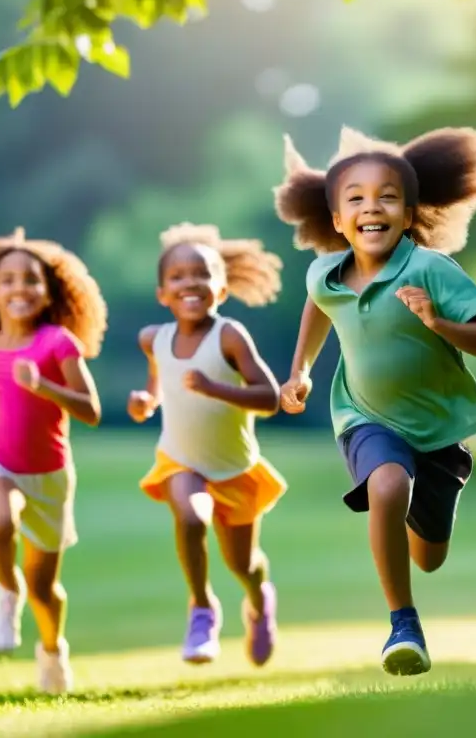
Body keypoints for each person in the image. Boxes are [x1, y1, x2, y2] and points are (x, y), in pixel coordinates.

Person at [273, 126, 476, 676]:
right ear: (335, 220)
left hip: (441, 429)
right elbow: (317, 306)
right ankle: (404, 624)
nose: (371, 208)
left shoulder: (430, 269)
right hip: (364, 416)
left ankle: (408, 516)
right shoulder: (324, 272)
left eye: (387, 197)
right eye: (356, 198)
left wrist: (438, 322)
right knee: (388, 483)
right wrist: (299, 371)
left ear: (408, 213)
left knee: (430, 555)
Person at [128, 223, 286, 667]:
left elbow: (270, 397)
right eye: (177, 276)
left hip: (234, 467)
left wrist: (217, 389)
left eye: (202, 273)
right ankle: (201, 609)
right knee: (192, 518)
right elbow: (160, 384)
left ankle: (259, 599)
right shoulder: (152, 339)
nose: (189, 282)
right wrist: (146, 402)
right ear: (162, 293)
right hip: (180, 459)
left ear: (221, 289)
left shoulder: (230, 336)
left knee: (243, 563)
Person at [0, 227, 107, 694]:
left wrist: (43, 387)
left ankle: (51, 649)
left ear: (48, 292)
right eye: (8, 280)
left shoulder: (57, 343)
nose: (19, 287)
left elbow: (92, 410)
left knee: (47, 589)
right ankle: (6, 591)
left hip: (49, 474)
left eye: (31, 279)